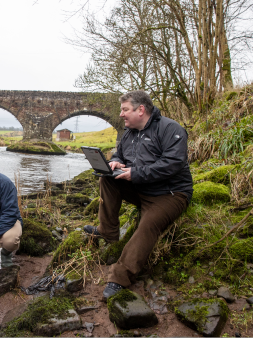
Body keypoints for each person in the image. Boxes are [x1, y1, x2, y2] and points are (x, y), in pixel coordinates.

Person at [84, 91, 193, 301]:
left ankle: (120, 277)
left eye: (125, 109)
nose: (121, 114)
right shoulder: (130, 132)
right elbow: (120, 154)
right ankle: (107, 231)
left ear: (140, 109)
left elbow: (173, 163)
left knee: (148, 224)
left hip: (170, 194)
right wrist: (115, 162)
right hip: (141, 188)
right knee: (107, 177)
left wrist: (135, 173)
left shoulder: (171, 129)